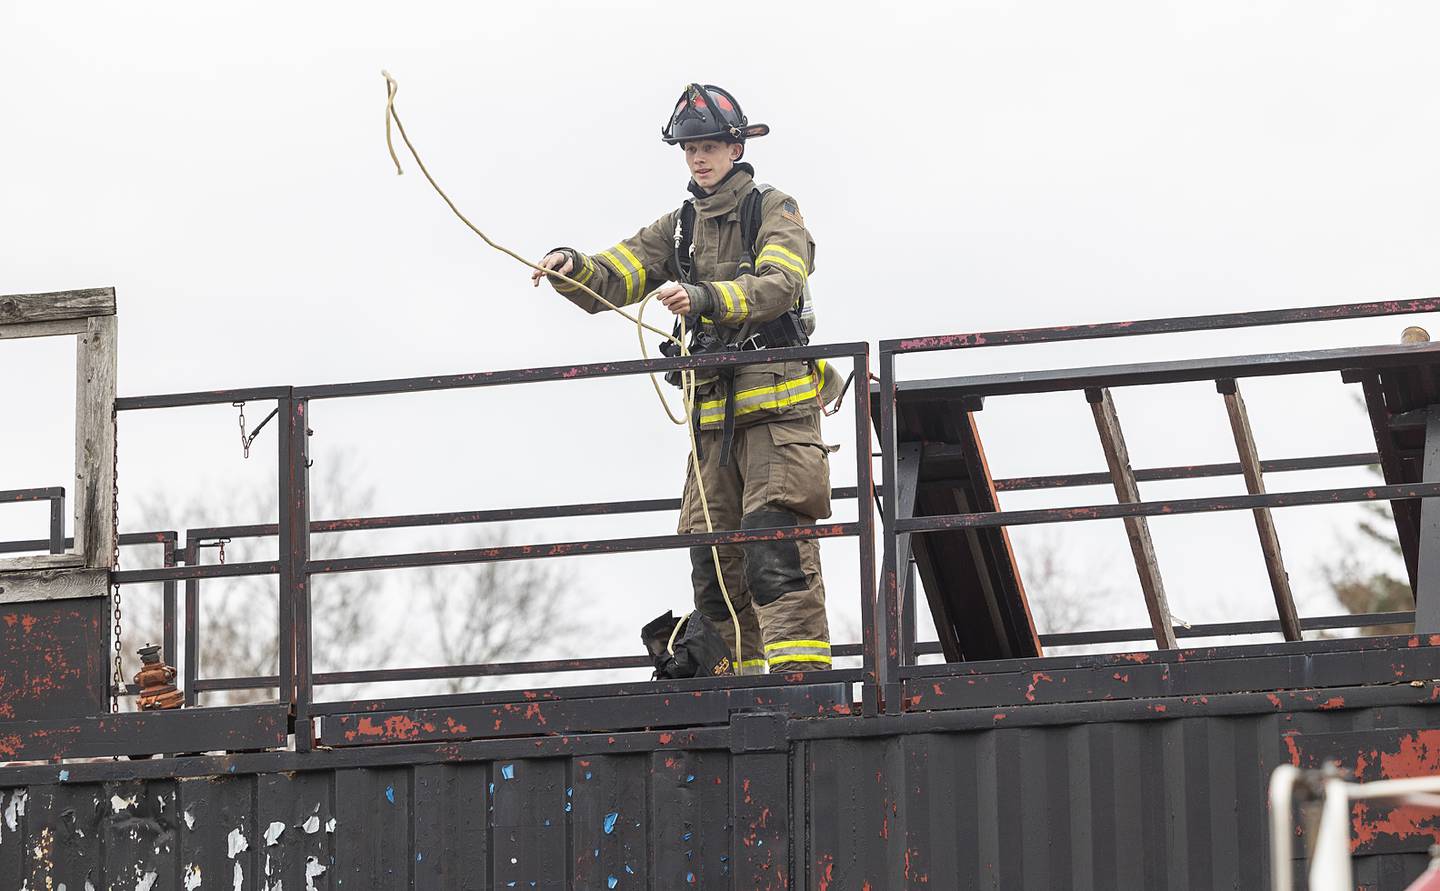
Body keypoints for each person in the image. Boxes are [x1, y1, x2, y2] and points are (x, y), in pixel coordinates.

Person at [531, 83, 840, 675]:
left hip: (778, 418)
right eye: (688, 148)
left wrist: (703, 298)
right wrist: (572, 265)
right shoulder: (679, 228)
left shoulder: (775, 210)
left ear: (735, 146)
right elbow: (618, 272)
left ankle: (802, 684)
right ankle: (739, 684)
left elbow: (780, 286)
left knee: (774, 553)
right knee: (713, 564)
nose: (698, 158)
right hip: (710, 426)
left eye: (708, 146)